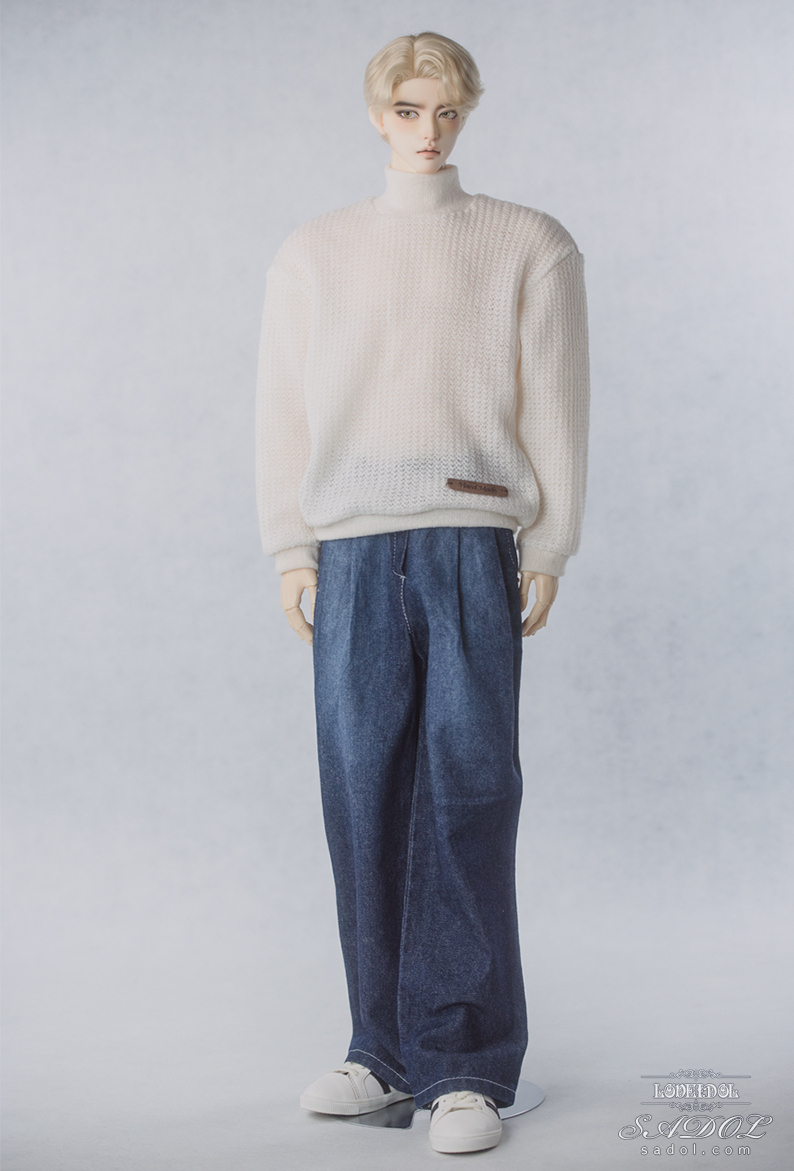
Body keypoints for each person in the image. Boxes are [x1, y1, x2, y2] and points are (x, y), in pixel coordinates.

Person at [255, 30, 590, 1155]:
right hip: (350, 548)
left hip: (470, 540)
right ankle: (382, 1048)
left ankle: (465, 1064)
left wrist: (549, 543)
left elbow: (555, 399)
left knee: (469, 787)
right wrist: (289, 545)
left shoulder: (527, 244)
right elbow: (284, 406)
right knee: (361, 788)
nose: (427, 130)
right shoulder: (315, 252)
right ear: (376, 113)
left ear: (468, 112)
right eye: (407, 109)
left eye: (446, 110)